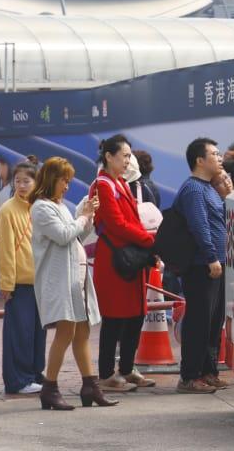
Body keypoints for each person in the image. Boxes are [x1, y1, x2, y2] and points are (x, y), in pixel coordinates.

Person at [30, 157, 110, 410]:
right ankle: (50, 388)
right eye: (64, 180)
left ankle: (90, 386)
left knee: (82, 332)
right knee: (65, 333)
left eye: (68, 181)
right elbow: (64, 236)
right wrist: (84, 216)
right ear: (51, 179)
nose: (66, 186)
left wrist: (87, 216)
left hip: (76, 278)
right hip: (60, 279)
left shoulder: (60, 206)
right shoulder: (41, 208)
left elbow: (77, 237)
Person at [92, 135, 156, 393]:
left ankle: (127, 368)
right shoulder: (102, 185)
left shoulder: (120, 183)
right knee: (113, 319)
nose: (129, 161)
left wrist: (145, 240)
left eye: (130, 156)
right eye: (125, 156)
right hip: (115, 261)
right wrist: (149, 239)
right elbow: (117, 224)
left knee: (135, 314)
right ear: (109, 156)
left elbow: (131, 220)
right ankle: (107, 374)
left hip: (129, 258)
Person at [174, 137, 228, 394]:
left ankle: (208, 371)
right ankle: (189, 376)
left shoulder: (208, 188)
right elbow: (199, 226)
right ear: (200, 160)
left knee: (213, 322)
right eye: (214, 154)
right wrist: (210, 257)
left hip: (215, 264)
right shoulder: (194, 189)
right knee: (198, 322)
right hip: (202, 266)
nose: (220, 158)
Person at [0, 162, 45, 396]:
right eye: (18, 181)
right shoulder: (7, 210)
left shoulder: (40, 207)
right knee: (20, 333)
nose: (22, 186)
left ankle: (35, 374)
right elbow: (5, 250)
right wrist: (6, 283)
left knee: (37, 333)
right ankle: (18, 380)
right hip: (19, 283)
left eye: (27, 181)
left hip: (40, 281)